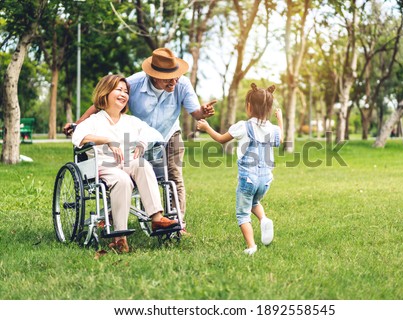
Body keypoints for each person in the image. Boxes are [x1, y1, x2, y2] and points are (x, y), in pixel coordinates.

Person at [65, 48, 216, 234]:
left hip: (167, 134)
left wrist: (204, 112)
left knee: (168, 174)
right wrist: (79, 124)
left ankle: (171, 222)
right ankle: (114, 221)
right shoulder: (131, 85)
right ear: (153, 75)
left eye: (176, 75)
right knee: (123, 177)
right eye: (168, 77)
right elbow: (98, 107)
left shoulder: (181, 85)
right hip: (118, 151)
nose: (174, 81)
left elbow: (194, 114)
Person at [72, 74, 177, 253]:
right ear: (105, 92)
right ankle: (120, 237)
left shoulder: (131, 121)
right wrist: (106, 140)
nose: (124, 94)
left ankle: (157, 218)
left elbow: (153, 134)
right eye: (118, 90)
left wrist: (142, 143)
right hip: (103, 166)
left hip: (128, 162)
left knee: (142, 164)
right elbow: (78, 137)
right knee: (122, 180)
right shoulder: (94, 121)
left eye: (126, 91)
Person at [196, 83, 283, 255]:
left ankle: (251, 247)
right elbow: (281, 135)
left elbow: (221, 139)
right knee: (254, 202)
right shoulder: (273, 130)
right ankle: (264, 219)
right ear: (269, 108)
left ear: (249, 107)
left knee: (242, 214)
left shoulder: (244, 126)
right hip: (265, 180)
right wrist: (279, 118)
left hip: (248, 179)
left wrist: (206, 128)